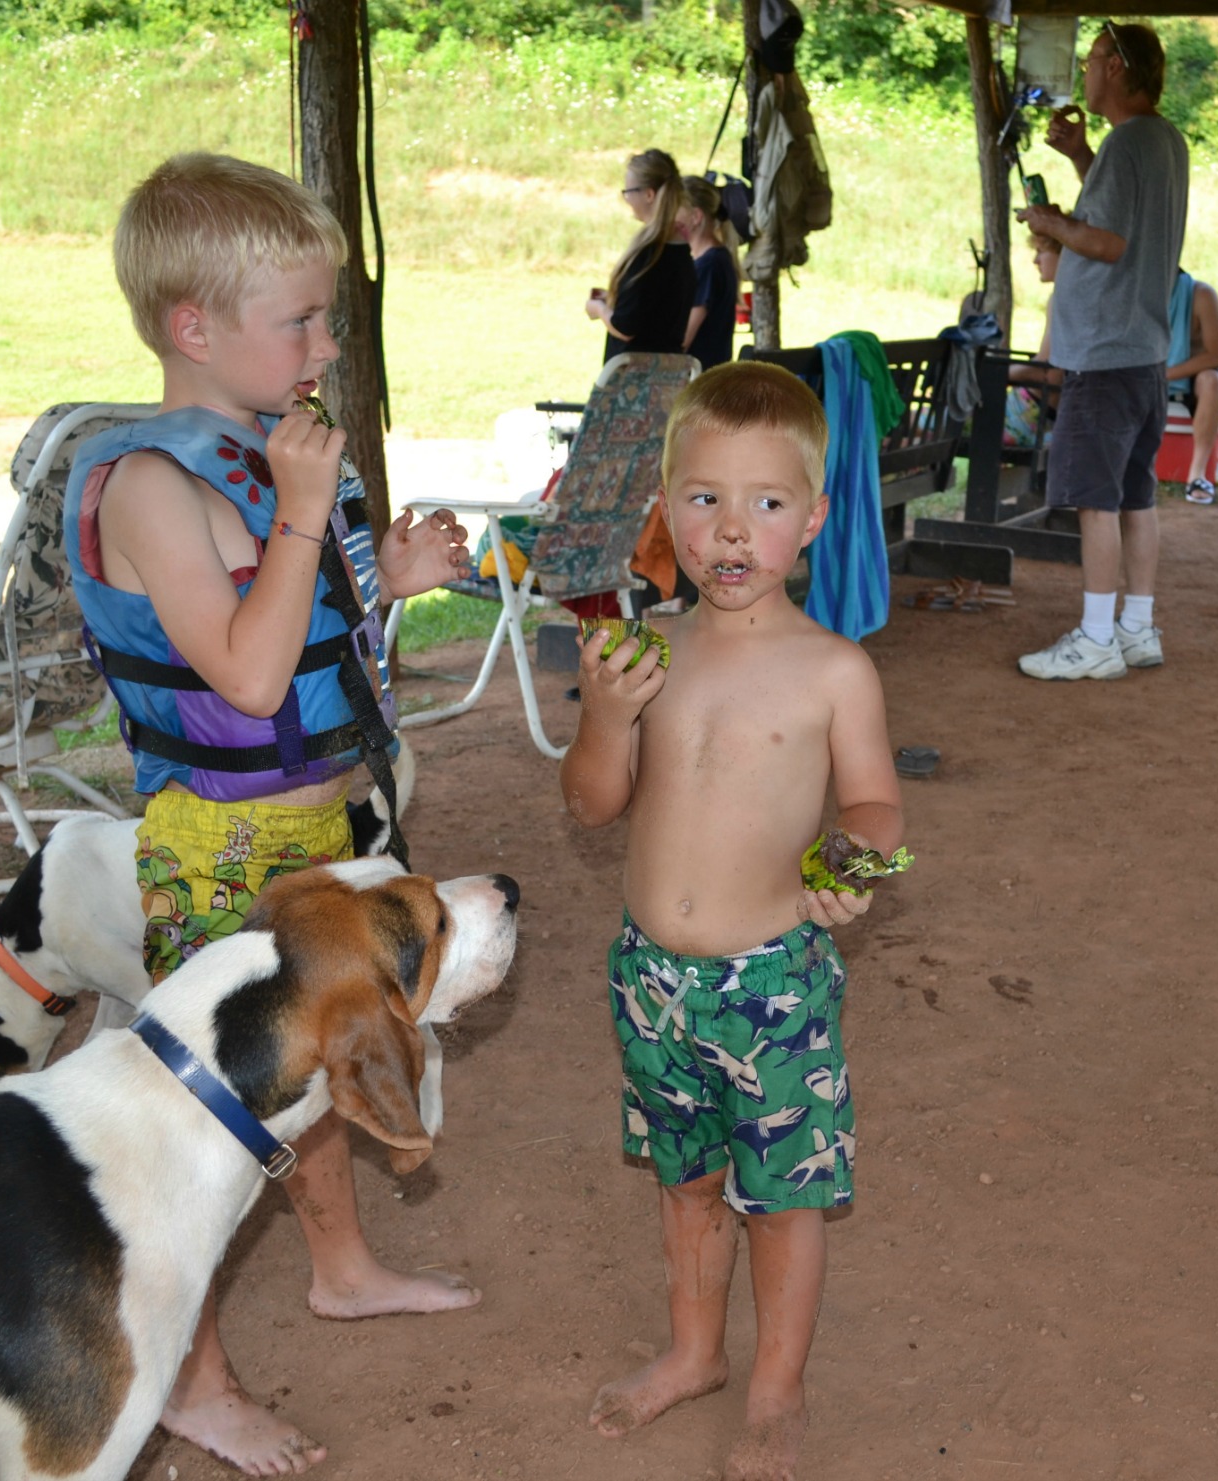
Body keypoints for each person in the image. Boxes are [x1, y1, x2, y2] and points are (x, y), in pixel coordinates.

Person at [63, 152, 474, 1476]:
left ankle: (340, 1267)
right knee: (209, 1120)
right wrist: (308, 514)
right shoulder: (150, 486)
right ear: (192, 326)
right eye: (297, 319)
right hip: (218, 838)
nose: (322, 343)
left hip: (315, 820)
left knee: (326, 1053)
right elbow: (240, 674)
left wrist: (386, 577)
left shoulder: (261, 457)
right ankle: (192, 1378)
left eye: (326, 317)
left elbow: (301, 634)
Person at [559, 361, 905, 1481]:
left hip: (772, 985)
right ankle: (695, 1352)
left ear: (810, 518)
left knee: (784, 1200)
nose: (729, 530)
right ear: (666, 509)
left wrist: (847, 859)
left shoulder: (831, 670)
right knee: (686, 1183)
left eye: (764, 502)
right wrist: (605, 718)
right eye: (702, 497)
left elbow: (872, 802)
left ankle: (773, 1388)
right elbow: (590, 804)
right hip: (648, 978)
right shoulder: (647, 655)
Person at [1015, 20, 1189, 681]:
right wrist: (1080, 157)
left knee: (1095, 499)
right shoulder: (1161, 140)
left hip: (1104, 352)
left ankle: (1094, 638)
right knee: (1136, 497)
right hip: (1144, 349)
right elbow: (1127, 217)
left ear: (1116, 67)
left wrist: (1049, 223)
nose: (1084, 72)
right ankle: (1136, 629)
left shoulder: (1128, 144)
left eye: (1091, 59)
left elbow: (1110, 242)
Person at [585, 149, 697, 365]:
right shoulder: (681, 252)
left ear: (648, 194)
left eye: (629, 191)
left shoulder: (649, 254)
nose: (627, 198)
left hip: (632, 380)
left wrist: (599, 309)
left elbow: (625, 328)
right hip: (667, 380)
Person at [1165, 268, 1218, 503]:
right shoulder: (1135, 293)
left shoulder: (1201, 295)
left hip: (1191, 377)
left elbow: (1215, 356)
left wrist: (1165, 374)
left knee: (1212, 380)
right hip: (1148, 371)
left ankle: (1197, 475)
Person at [677, 174, 744, 372]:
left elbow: (682, 340)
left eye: (673, 210)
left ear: (696, 217)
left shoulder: (710, 265)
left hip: (700, 384)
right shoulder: (712, 261)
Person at [1004, 229, 1065, 447]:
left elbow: (1048, 373)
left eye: (1042, 252)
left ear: (1064, 254)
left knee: (919, 419)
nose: (1035, 260)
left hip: (1029, 412)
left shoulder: (1062, 300)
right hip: (1048, 414)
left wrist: (995, 374)